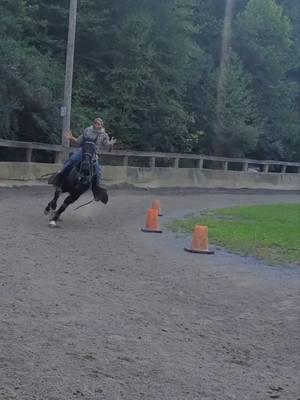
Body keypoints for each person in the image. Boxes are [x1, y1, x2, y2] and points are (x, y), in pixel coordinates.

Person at [53, 117, 116, 187]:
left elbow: (108, 148)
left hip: (93, 154)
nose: (96, 125)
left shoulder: (104, 135)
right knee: (72, 159)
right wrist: (71, 138)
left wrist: (111, 145)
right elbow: (78, 141)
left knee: (98, 170)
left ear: (101, 125)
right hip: (83, 150)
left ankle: (97, 186)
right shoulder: (87, 130)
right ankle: (60, 174)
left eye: (98, 124)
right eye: (95, 123)